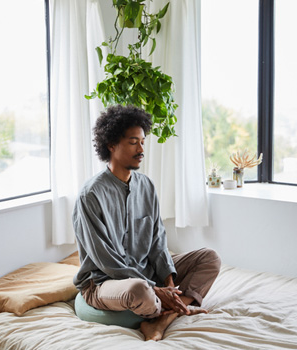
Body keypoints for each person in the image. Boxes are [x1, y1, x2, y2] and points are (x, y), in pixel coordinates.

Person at [72, 104, 221, 341]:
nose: (141, 148)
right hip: (104, 282)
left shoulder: (146, 185)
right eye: (133, 142)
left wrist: (169, 282)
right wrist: (154, 288)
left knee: (209, 258)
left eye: (142, 142)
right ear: (111, 145)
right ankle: (169, 307)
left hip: (146, 272)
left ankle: (164, 317)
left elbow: (157, 240)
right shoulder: (90, 195)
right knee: (139, 290)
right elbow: (107, 262)